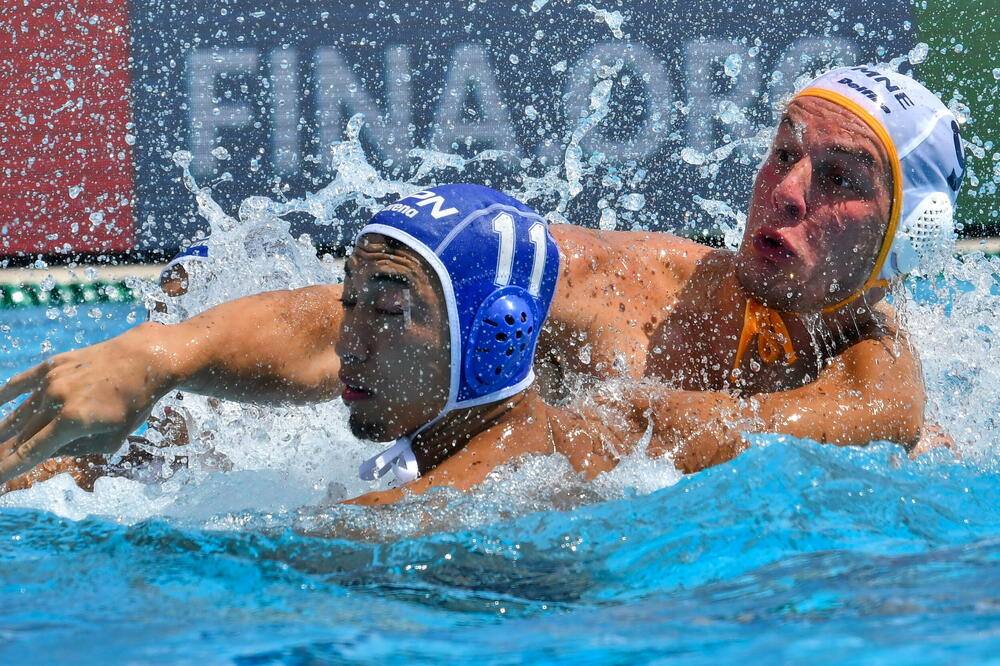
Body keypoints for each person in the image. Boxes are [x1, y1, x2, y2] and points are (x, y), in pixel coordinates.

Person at [0, 65, 965, 488]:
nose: (785, 193)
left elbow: (870, 416)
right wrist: (164, 353)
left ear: (905, 236)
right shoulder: (635, 285)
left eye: (837, 179)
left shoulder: (888, 392)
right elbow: (399, 297)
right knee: (151, 437)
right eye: (782, 155)